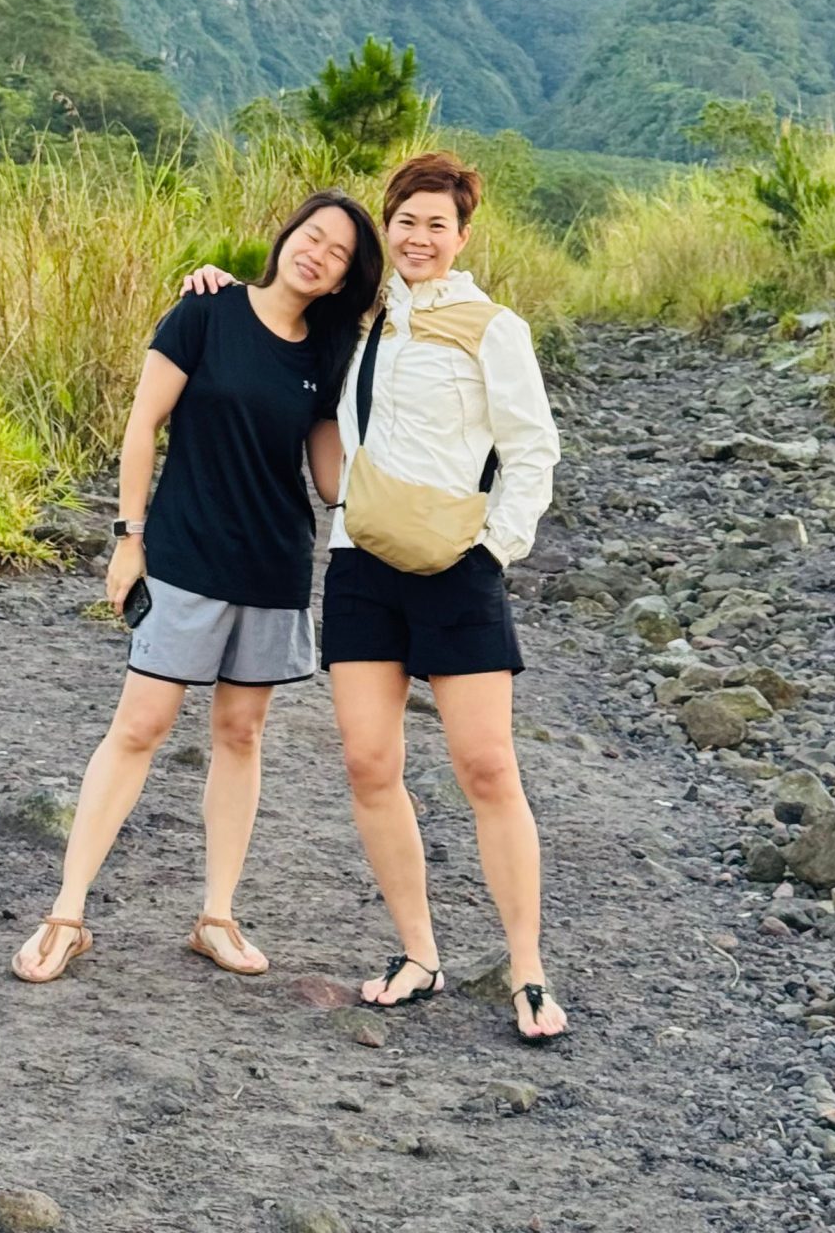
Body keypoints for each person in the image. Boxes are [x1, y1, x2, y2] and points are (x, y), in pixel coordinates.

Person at [186, 151, 567, 1042]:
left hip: (459, 568)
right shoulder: (356, 328)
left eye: (438, 224)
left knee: (486, 766)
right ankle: (418, 953)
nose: (419, 236)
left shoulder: (491, 326)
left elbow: (533, 450)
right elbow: (268, 311)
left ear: (462, 236)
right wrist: (210, 282)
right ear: (386, 228)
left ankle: (529, 971)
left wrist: (495, 550)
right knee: (368, 762)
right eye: (405, 220)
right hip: (360, 562)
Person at [11, 189, 383, 986]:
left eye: (338, 254)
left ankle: (216, 915)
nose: (316, 254)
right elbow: (142, 426)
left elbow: (329, 479)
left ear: (344, 279)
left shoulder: (328, 354)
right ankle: (67, 913)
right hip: (183, 553)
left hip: (273, 565)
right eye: (311, 237)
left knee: (241, 733)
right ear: (287, 237)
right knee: (140, 726)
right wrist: (127, 539)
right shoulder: (204, 311)